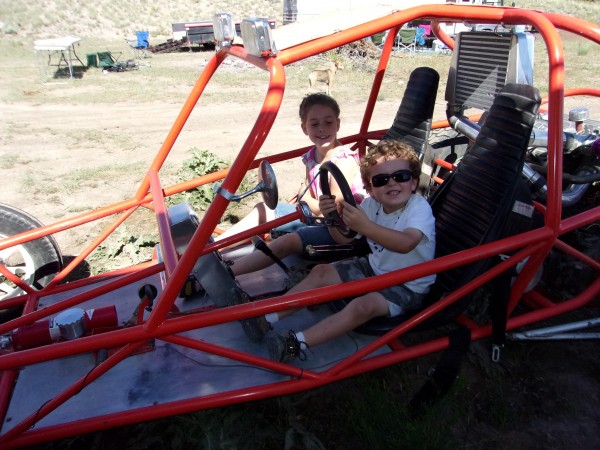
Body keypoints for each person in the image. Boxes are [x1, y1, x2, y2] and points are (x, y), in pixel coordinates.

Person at [244, 140, 436, 361]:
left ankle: (294, 343)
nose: (392, 184)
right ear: (370, 189)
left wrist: (365, 226)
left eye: (400, 176)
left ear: (413, 182)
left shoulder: (418, 208)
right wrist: (333, 218)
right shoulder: (370, 206)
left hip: (408, 284)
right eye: (381, 180)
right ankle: (267, 318)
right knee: (321, 272)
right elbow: (343, 239)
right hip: (375, 268)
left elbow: (406, 244)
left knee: (362, 307)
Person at [219, 93, 367, 277]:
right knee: (262, 209)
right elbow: (305, 193)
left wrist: (308, 201)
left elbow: (329, 210)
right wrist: (308, 200)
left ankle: (224, 274)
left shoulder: (343, 161)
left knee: (287, 242)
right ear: (304, 128)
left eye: (328, 122)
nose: (322, 129)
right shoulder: (312, 156)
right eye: (314, 124)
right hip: (317, 219)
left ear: (338, 124)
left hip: (345, 232)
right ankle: (208, 250)